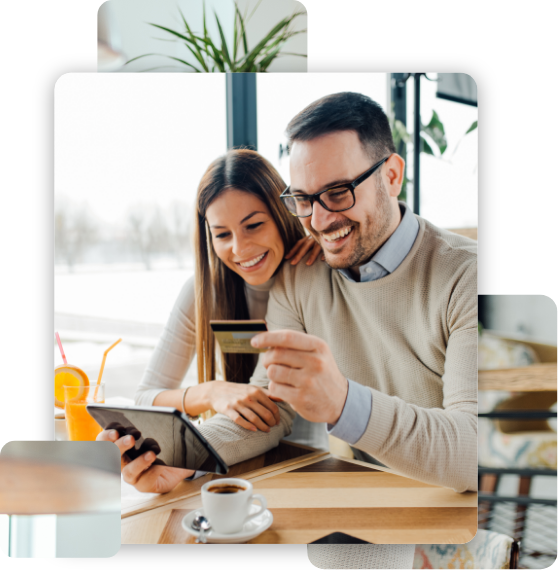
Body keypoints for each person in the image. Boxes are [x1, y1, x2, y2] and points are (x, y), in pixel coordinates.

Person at [100, 91, 477, 568]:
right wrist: (183, 457)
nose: (320, 220)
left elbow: (474, 451)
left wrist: (341, 402)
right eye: (303, 199)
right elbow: (269, 409)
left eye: (338, 192)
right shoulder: (299, 276)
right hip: (353, 508)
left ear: (392, 175)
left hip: (454, 520)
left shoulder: (467, 277)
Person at [97, 147, 329, 491]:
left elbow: (275, 410)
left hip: (317, 467)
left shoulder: (314, 276)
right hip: (234, 466)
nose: (239, 248)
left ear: (284, 215)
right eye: (222, 234)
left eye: (253, 225)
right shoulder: (204, 293)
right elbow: (146, 396)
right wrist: (213, 392)